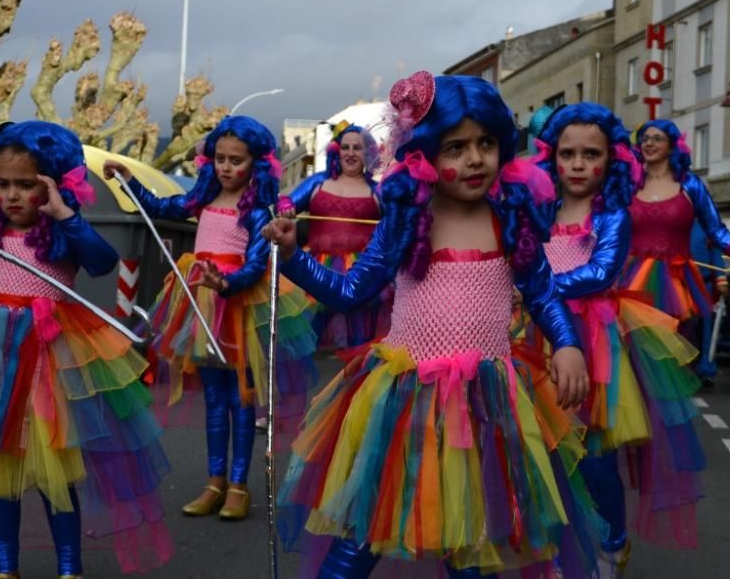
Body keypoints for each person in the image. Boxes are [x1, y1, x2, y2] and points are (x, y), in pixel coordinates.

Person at [264, 72, 600, 578]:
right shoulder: (406, 220)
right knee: (363, 535)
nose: (474, 159)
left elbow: (542, 291)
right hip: (404, 399)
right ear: (423, 153)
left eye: (486, 143)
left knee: (471, 539)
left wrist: (568, 343)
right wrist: (292, 256)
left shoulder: (510, 217)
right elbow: (349, 292)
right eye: (455, 147)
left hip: (484, 403)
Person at [0, 121, 173, 578]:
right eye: (3, 184)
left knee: (54, 472)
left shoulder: (63, 235)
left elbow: (103, 262)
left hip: (50, 360)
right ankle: (5, 567)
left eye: (26, 185)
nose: (12, 195)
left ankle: (70, 567)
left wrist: (66, 214)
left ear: (53, 186)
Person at [103, 115, 316, 522]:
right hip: (201, 305)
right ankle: (214, 481)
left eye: (237, 160)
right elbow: (161, 207)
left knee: (242, 397)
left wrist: (226, 284)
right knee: (215, 397)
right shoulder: (202, 198)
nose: (227, 167)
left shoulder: (256, 212)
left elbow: (256, 264)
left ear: (256, 164)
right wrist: (128, 180)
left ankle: (239, 485)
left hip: (237, 305)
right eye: (220, 158)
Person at [532, 103, 704, 570]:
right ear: (552, 156)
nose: (579, 165)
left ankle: (611, 541)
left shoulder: (613, 216)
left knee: (592, 453)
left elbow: (599, 272)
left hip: (591, 340)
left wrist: (531, 287)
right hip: (534, 337)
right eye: (568, 154)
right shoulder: (538, 210)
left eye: (591, 154)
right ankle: (560, 550)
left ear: (610, 159)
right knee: (542, 448)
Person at [620, 119, 730, 363]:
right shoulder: (628, 185)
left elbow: (717, 232)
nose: (649, 143)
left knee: (667, 360)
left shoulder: (690, 184)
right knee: (633, 357)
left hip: (676, 285)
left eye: (657, 138)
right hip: (631, 281)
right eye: (645, 138)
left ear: (672, 147)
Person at [278, 120, 390, 362]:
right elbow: (287, 204)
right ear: (336, 151)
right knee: (303, 346)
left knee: (360, 348)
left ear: (367, 154)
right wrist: (286, 206)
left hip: (359, 272)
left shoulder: (377, 190)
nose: (350, 153)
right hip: (315, 267)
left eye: (357, 148)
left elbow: (397, 223)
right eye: (345, 147)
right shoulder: (317, 182)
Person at [690, 221, 728, 387]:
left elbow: (716, 254)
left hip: (704, 285)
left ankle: (705, 368)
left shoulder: (708, 223)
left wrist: (721, 279)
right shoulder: (673, 217)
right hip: (677, 282)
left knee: (706, 328)